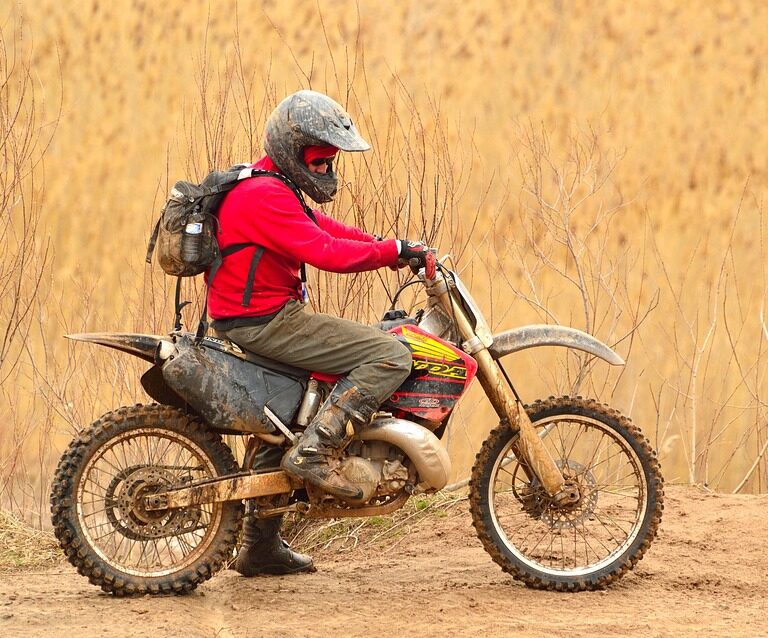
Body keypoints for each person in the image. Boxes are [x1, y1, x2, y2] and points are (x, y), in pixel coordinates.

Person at [207, 90, 430, 576]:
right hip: (264, 320)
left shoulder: (271, 183)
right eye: (320, 158)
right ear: (293, 148)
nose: (327, 168)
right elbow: (325, 251)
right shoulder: (265, 195)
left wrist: (395, 246)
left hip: (251, 316)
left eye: (331, 161)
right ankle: (317, 451)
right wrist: (390, 253)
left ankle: (260, 548)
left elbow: (327, 227)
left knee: (284, 416)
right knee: (390, 354)